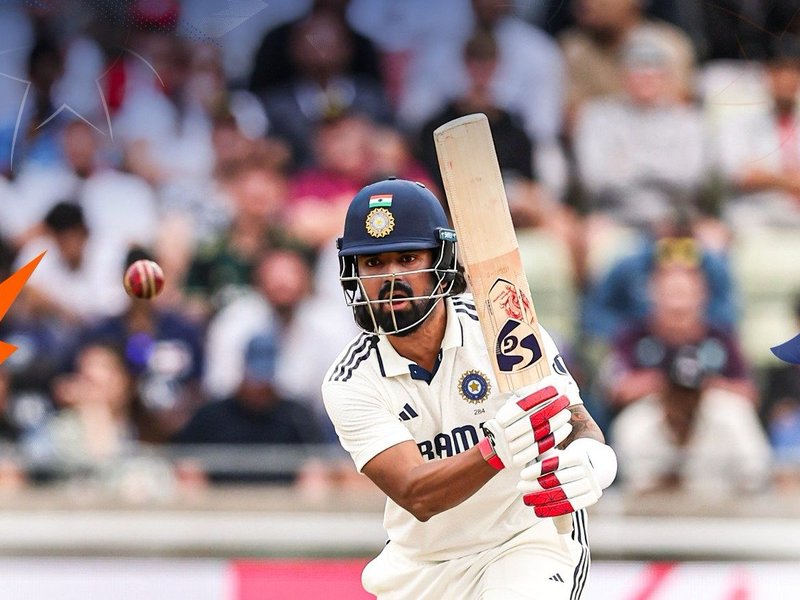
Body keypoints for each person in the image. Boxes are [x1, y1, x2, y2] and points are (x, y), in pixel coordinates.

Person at [321, 178, 617, 598]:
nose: (391, 277)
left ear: (441, 259)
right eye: (373, 263)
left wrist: (593, 457)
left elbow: (572, 420)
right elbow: (416, 494)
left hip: (523, 541)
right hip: (422, 567)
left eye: (408, 258)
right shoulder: (351, 379)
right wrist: (495, 449)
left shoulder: (503, 327)